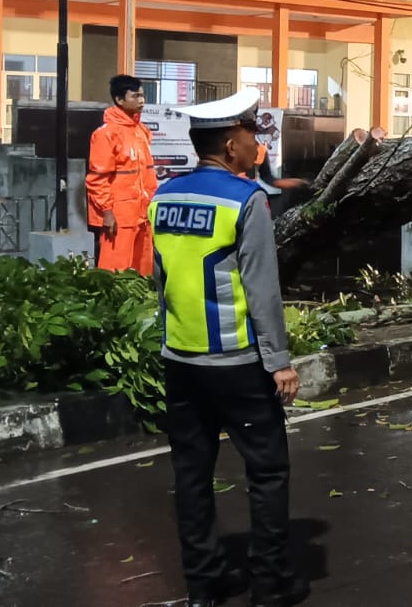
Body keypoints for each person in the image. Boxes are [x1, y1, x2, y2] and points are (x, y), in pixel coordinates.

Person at [149, 88, 308, 607]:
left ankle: (204, 583)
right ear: (230, 142)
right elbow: (262, 290)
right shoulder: (246, 200)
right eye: (250, 136)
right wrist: (279, 362)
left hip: (181, 360)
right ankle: (271, 582)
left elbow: (161, 279)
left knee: (192, 474)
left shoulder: (163, 196)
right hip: (238, 363)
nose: (255, 144)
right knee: (266, 472)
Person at [86, 74, 157, 274]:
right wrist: (107, 212)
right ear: (119, 100)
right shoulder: (106, 134)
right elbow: (97, 179)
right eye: (135, 96)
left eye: (142, 95)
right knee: (115, 270)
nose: (141, 100)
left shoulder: (141, 131)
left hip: (143, 214)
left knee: (143, 269)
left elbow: (145, 175)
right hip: (119, 218)